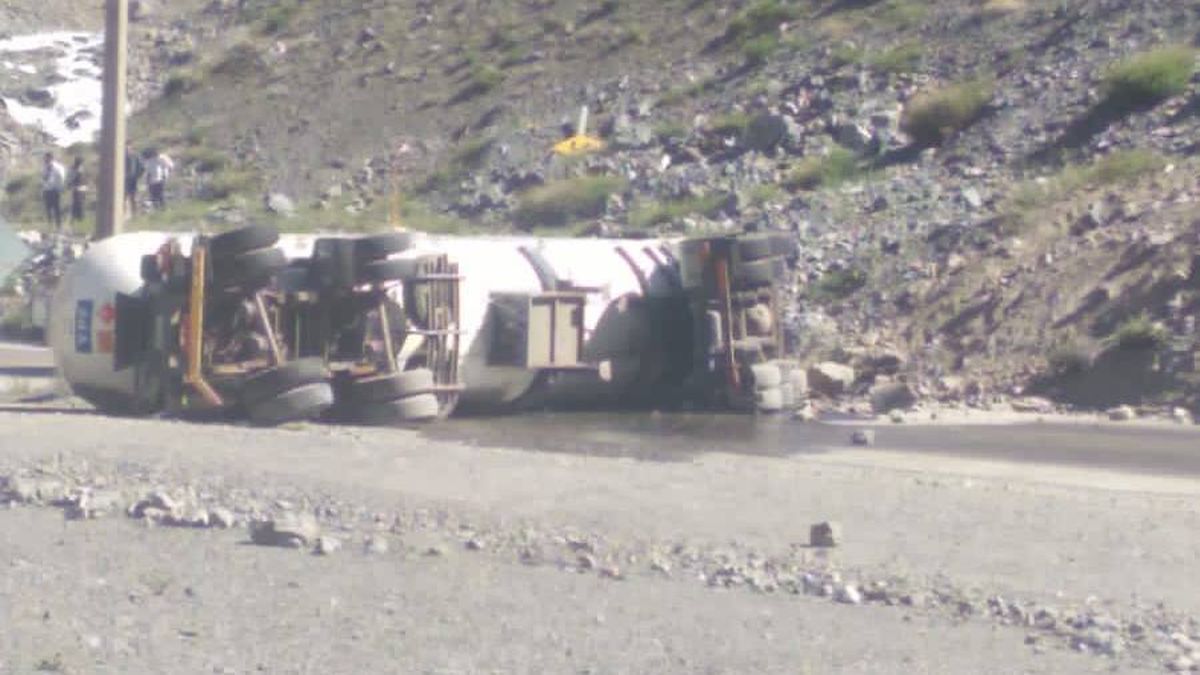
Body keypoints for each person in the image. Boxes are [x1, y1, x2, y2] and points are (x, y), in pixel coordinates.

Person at [40, 152, 65, 231]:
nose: (45, 160)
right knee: (48, 209)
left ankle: (59, 226)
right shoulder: (44, 167)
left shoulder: (58, 167)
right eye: (44, 158)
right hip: (47, 190)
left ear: (51, 158)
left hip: (55, 190)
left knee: (56, 209)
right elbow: (43, 178)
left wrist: (59, 188)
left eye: (46, 158)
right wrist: (43, 188)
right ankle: (50, 226)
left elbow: (62, 178)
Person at [124, 144, 144, 216]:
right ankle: (124, 215)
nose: (126, 150)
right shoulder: (120, 157)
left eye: (127, 148)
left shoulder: (136, 156)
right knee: (123, 198)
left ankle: (135, 214)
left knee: (134, 197)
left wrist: (138, 176)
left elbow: (142, 167)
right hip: (123, 181)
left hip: (133, 180)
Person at [68, 156, 87, 224]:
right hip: (76, 189)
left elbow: (84, 179)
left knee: (81, 204)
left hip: (82, 189)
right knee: (76, 204)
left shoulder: (81, 169)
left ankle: (80, 218)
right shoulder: (74, 169)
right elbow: (71, 178)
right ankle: (75, 218)